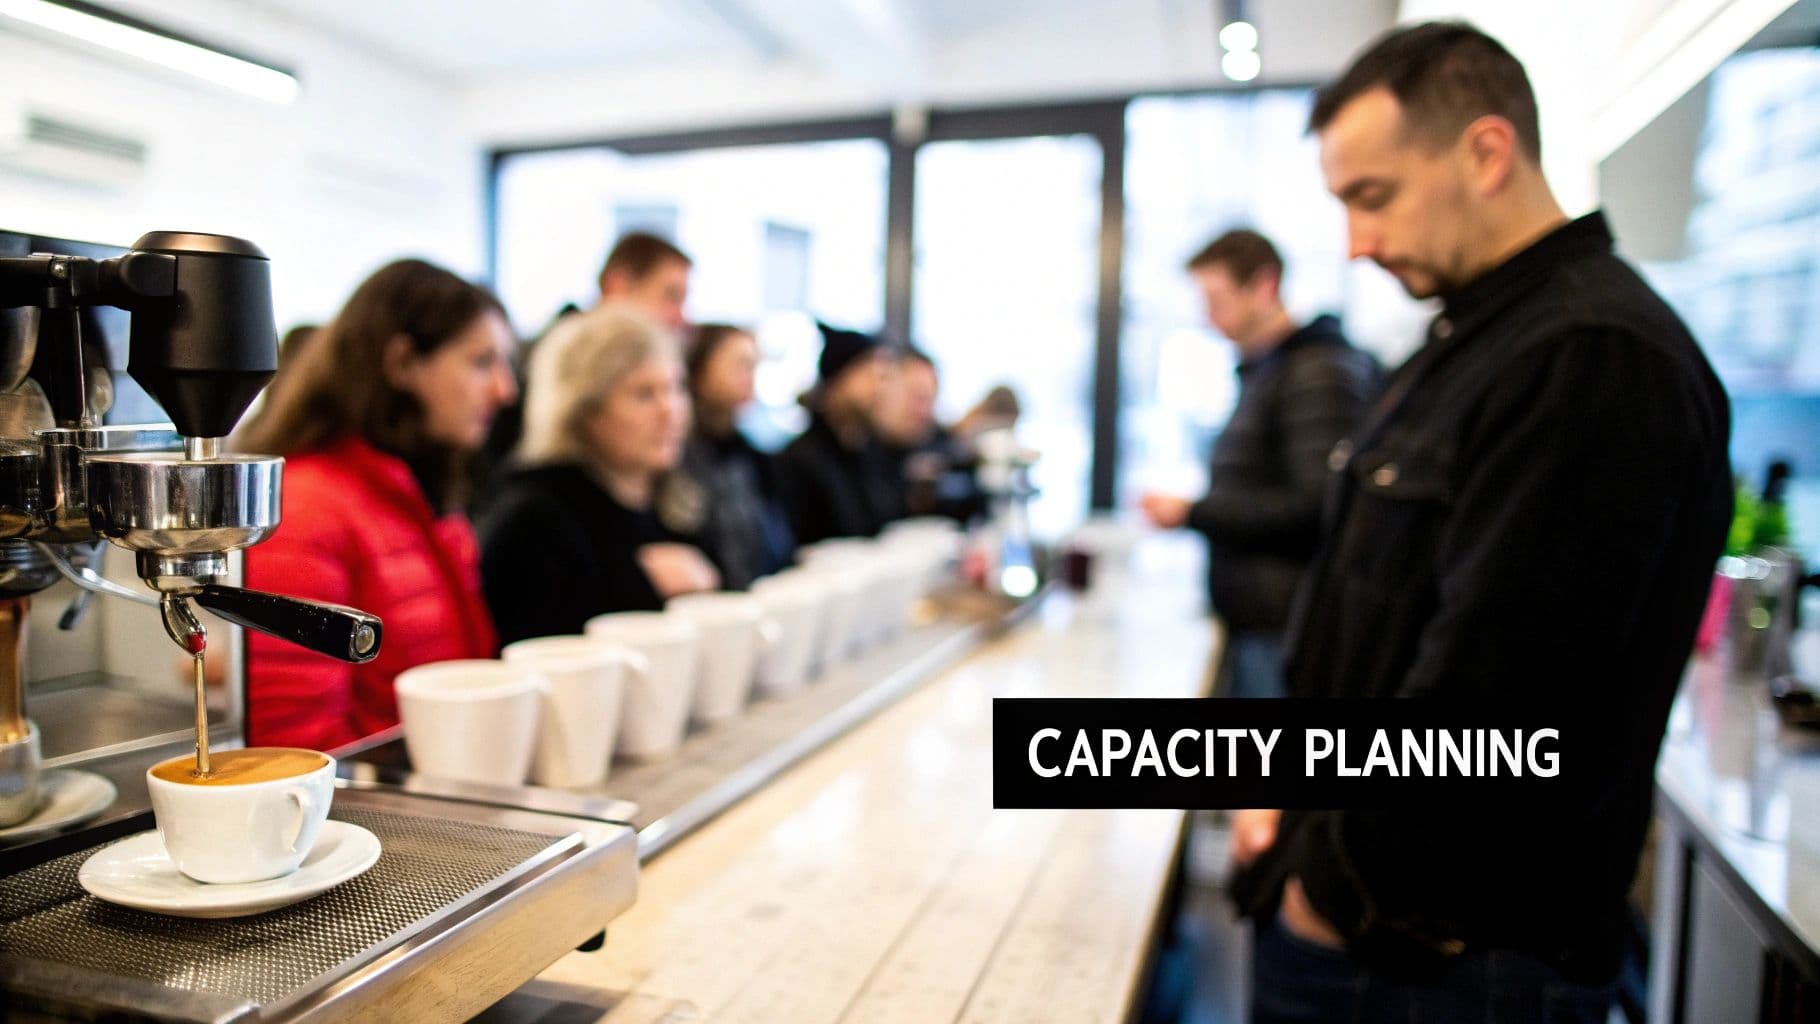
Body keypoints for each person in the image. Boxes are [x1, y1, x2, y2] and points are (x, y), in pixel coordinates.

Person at [1229, 23, 1732, 1023]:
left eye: (1373, 196)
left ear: (1486, 152)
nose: (1356, 242)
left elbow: (1491, 713)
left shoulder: (1588, 357)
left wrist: (1330, 883)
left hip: (1437, 962)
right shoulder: (1476, 342)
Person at [235, 260, 517, 750]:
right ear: (403, 363)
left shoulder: (413, 490)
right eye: (481, 362)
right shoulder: (309, 508)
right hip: (375, 798)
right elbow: (297, 750)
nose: (504, 389)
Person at [1139, 230, 1379, 699]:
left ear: (1265, 286)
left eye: (1216, 300)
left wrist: (1193, 512)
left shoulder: (1316, 372)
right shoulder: (1272, 370)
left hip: (1284, 626)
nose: (1208, 318)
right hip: (1260, 619)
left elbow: (1319, 506)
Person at [480, 305, 718, 645]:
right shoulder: (534, 518)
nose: (670, 410)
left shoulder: (678, 499)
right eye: (644, 393)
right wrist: (637, 582)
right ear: (585, 410)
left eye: (675, 388)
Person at [475, 232, 692, 507]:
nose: (682, 316)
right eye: (671, 296)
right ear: (617, 286)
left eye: (673, 390)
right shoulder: (540, 363)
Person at [679, 322, 794, 589]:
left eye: (753, 367)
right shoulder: (675, 457)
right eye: (740, 365)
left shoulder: (752, 455)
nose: (749, 380)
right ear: (699, 370)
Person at [774, 322, 906, 544]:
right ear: (837, 381)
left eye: (885, 378)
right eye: (871, 376)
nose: (881, 389)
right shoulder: (798, 461)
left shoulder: (874, 453)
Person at [880, 347, 987, 523]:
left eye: (930, 400)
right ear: (886, 391)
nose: (923, 411)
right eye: (917, 397)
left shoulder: (939, 443)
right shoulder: (862, 449)